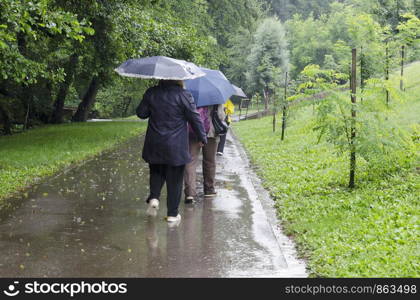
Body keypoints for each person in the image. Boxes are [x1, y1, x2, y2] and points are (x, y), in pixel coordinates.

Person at [136, 80, 207, 223]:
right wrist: (202, 137)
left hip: (155, 143)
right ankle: (172, 214)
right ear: (179, 79)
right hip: (176, 145)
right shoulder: (184, 95)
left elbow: (141, 113)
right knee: (174, 180)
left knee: (156, 171)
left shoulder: (152, 92)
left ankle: (154, 197)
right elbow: (195, 117)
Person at [184, 104, 226, 203]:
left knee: (190, 162)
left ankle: (190, 193)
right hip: (211, 133)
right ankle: (209, 190)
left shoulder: (190, 96)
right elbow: (221, 116)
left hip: (193, 132)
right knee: (210, 162)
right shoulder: (215, 98)